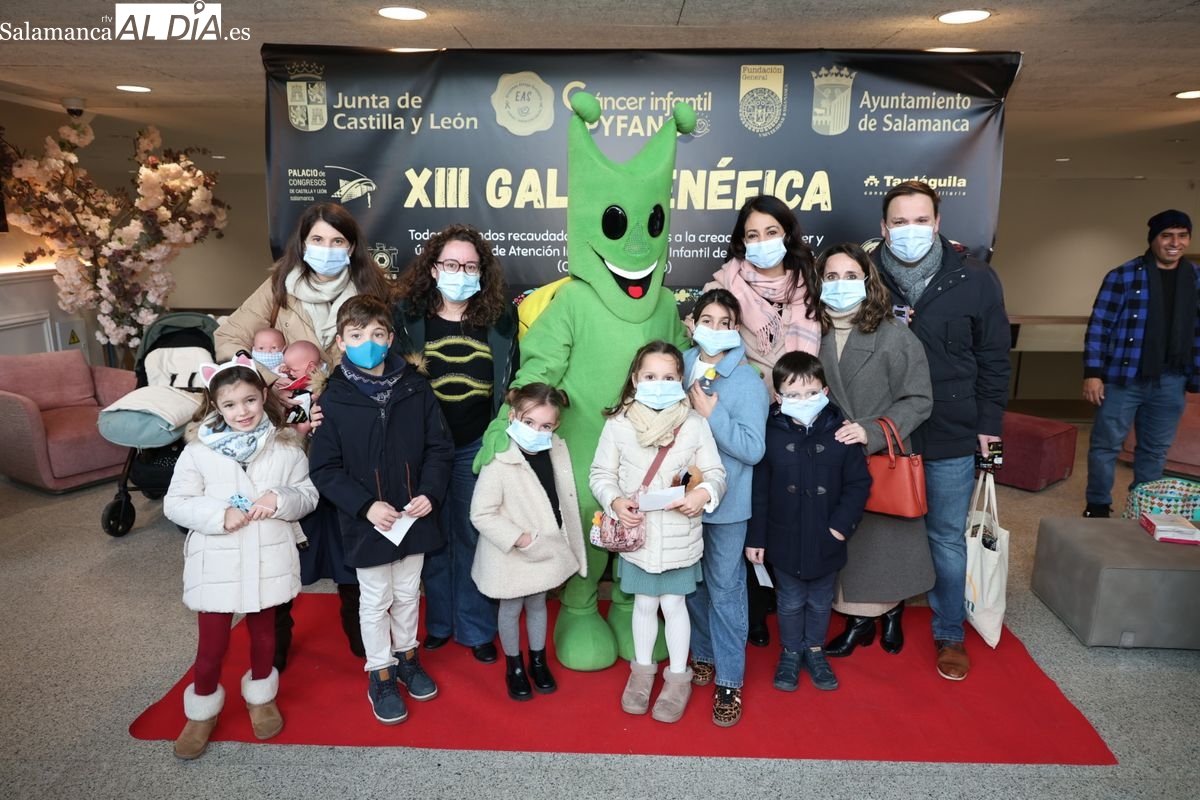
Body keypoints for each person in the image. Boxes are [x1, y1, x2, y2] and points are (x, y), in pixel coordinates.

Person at [215, 202, 392, 667]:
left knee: (353, 524)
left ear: (351, 247)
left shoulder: (373, 288)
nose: (327, 249)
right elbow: (229, 337)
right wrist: (272, 383)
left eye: (337, 241)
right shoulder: (279, 287)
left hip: (351, 429)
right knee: (283, 527)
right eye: (318, 240)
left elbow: (389, 347)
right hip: (290, 431)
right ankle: (276, 633)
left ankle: (359, 624)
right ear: (303, 243)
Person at [872, 180, 1011, 682]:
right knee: (882, 528)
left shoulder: (975, 278)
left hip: (952, 428)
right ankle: (879, 616)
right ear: (884, 227)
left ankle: (949, 631)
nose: (910, 230)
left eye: (920, 220)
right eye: (900, 222)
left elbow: (994, 358)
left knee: (947, 538)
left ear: (937, 223)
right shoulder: (863, 275)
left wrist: (989, 425)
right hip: (886, 427)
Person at [163, 355, 319, 760]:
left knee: (265, 634)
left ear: (263, 395)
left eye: (249, 400)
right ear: (215, 405)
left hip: (268, 557)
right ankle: (202, 710)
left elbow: (307, 495)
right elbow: (176, 503)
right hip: (218, 561)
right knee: (212, 645)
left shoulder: (287, 446)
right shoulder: (198, 451)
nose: (242, 412)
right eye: (230, 405)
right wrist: (219, 515)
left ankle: (261, 697)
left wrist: (280, 498)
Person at [308, 296, 454, 725]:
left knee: (408, 593)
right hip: (367, 521)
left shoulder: (416, 387)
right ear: (340, 342)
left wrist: (430, 493)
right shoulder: (332, 400)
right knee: (375, 600)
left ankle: (408, 656)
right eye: (356, 336)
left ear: (390, 339)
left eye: (376, 334)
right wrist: (365, 506)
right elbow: (325, 469)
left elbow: (439, 447)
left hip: (413, 514)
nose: (367, 343)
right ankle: (381, 672)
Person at [390, 223, 519, 664]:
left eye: (469, 266)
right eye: (451, 264)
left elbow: (511, 379)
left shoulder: (500, 320)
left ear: (482, 272)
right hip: (424, 448)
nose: (459, 273)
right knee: (433, 536)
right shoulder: (407, 317)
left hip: (475, 445)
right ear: (433, 267)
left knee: (472, 535)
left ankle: (476, 628)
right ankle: (441, 624)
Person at [702, 195, 822, 649]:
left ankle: (785, 602)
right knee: (748, 510)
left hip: (799, 414)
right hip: (747, 415)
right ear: (741, 241)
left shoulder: (811, 284)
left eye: (771, 232)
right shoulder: (726, 283)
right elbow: (706, 335)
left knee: (788, 509)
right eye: (752, 235)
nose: (762, 241)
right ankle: (752, 609)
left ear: (787, 234)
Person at [589, 341, 726, 724]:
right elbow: (601, 474)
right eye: (650, 376)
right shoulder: (618, 424)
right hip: (639, 538)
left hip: (680, 537)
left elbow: (716, 473)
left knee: (675, 605)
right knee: (645, 605)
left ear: (680, 380)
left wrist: (702, 494)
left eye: (668, 377)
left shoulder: (694, 424)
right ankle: (642, 672)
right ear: (636, 379)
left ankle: (678, 679)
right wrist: (615, 501)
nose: (659, 383)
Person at [814, 243, 934, 658]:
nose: (841, 285)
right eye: (832, 277)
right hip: (828, 458)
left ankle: (883, 613)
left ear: (868, 281)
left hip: (879, 455)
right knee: (844, 543)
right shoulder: (810, 333)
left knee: (880, 548)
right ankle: (864, 619)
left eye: (851, 276)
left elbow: (919, 399)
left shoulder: (894, 336)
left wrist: (871, 432)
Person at [746, 352, 872, 694]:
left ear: (825, 391)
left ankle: (814, 649)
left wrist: (840, 527)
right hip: (783, 536)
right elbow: (759, 490)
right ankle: (790, 651)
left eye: (811, 393)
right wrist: (756, 537)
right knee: (788, 600)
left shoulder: (842, 433)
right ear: (778, 396)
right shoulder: (768, 433)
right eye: (793, 394)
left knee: (819, 600)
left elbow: (858, 484)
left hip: (827, 536)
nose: (803, 400)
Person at [681, 289, 769, 727]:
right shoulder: (678, 365)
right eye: (707, 320)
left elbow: (753, 449)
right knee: (692, 585)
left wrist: (713, 415)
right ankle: (703, 652)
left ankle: (730, 679)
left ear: (736, 329)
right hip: (680, 502)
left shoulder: (747, 380)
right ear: (692, 324)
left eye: (725, 323)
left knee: (726, 590)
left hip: (727, 505)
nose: (715, 329)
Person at [469, 383, 588, 702]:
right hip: (511, 553)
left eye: (545, 425)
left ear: (556, 425)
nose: (537, 431)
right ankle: (515, 666)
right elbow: (481, 513)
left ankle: (538, 661)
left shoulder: (556, 450)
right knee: (510, 608)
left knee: (538, 604)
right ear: (513, 417)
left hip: (543, 548)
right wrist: (518, 538)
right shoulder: (499, 459)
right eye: (529, 422)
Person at [1083, 210, 1198, 518]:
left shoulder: (1196, 278)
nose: (1175, 243)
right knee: (1106, 445)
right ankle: (1097, 506)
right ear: (1153, 239)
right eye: (1167, 236)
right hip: (1123, 377)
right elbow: (1100, 326)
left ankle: (1143, 508)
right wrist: (1093, 373)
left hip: (1172, 379)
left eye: (1182, 236)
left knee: (1155, 450)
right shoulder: (1124, 275)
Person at [272, 339, 325, 436]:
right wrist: (284, 371)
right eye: (288, 368)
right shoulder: (294, 370)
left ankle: (298, 439)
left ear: (311, 367)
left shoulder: (321, 378)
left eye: (294, 370)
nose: (291, 372)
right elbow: (275, 376)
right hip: (290, 412)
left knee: (303, 426)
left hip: (308, 415)